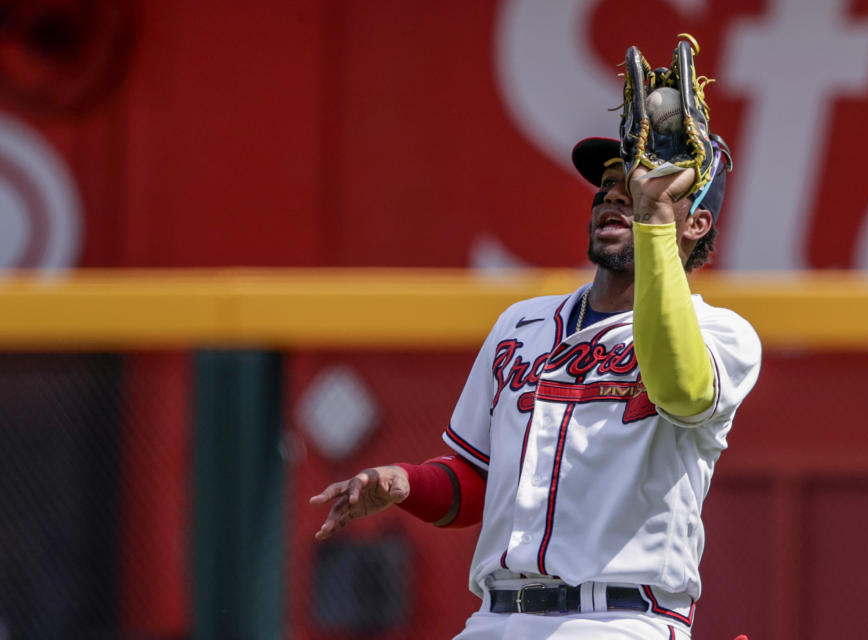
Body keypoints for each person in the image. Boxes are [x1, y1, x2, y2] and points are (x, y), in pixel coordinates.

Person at [311, 61, 762, 640]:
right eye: (608, 190)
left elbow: (682, 387)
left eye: (641, 192)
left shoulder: (721, 335)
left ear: (695, 222)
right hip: (494, 617)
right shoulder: (519, 325)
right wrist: (403, 481)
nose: (616, 201)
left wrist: (652, 227)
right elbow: (473, 479)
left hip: (620, 618)